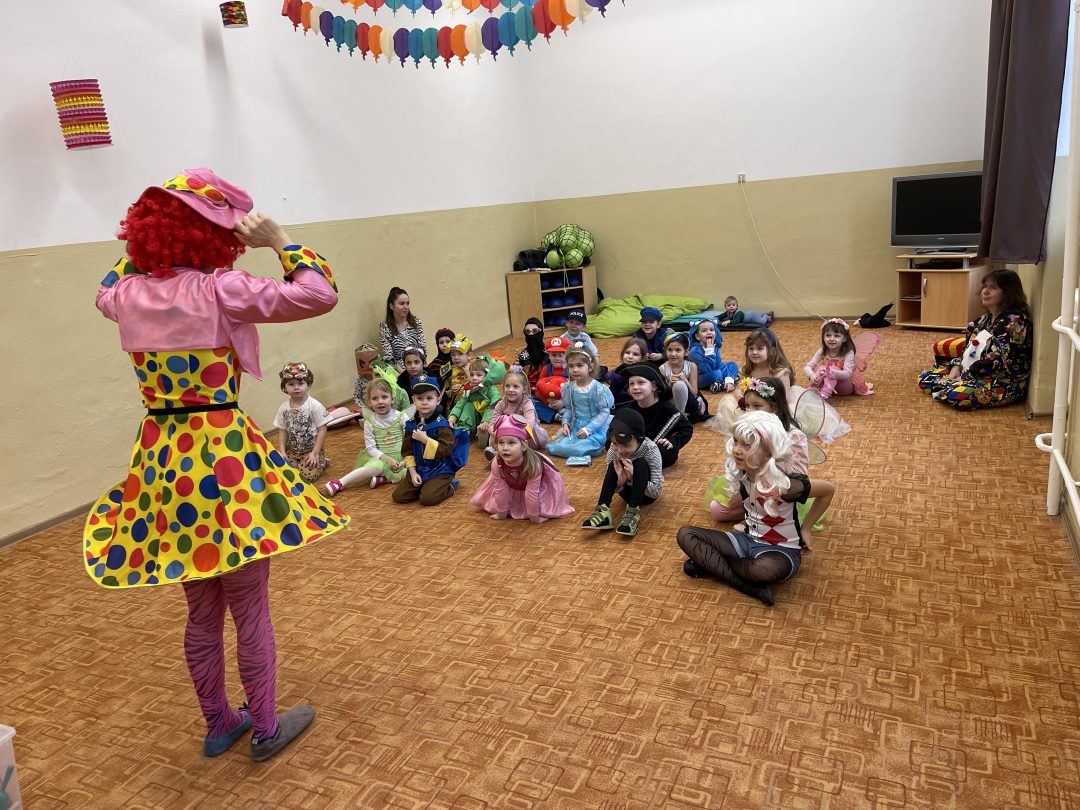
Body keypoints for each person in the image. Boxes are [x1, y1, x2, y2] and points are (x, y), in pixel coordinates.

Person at [84, 167, 349, 761]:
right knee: (249, 602)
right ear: (215, 235)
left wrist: (143, 252)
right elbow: (319, 294)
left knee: (200, 607)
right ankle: (265, 727)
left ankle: (218, 723)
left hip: (164, 461)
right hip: (224, 455)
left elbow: (107, 284)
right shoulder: (222, 289)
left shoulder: (124, 295)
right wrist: (280, 241)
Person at [677, 411, 833, 606]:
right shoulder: (742, 474)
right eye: (736, 441)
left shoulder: (785, 486)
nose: (737, 450)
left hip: (780, 550)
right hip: (745, 540)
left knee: (761, 571)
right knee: (686, 534)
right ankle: (748, 586)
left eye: (747, 445)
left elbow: (828, 490)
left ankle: (711, 565)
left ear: (768, 451)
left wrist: (806, 528)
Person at [917, 269, 1033, 410]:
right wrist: (956, 367)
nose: (985, 292)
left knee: (956, 394)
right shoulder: (981, 321)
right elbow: (966, 351)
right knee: (924, 377)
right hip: (971, 373)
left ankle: (948, 387)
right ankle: (948, 386)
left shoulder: (1015, 324)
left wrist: (965, 375)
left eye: (993, 288)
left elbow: (1001, 362)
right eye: (985, 286)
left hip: (1003, 381)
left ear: (1008, 293)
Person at [470, 414, 574, 522]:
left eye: (511, 443)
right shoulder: (498, 462)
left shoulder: (534, 464)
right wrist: (501, 513)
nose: (505, 448)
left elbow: (532, 492)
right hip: (512, 486)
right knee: (497, 497)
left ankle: (532, 510)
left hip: (535, 491)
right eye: (501, 442)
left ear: (524, 445)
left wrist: (534, 517)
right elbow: (500, 489)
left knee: (542, 507)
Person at [580, 409, 664, 537]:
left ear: (639, 439)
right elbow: (610, 485)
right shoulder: (614, 450)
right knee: (613, 464)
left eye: (626, 445)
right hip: (625, 491)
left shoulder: (651, 449)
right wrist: (619, 484)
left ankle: (633, 512)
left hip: (646, 495)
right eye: (615, 443)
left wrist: (632, 478)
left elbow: (656, 491)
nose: (620, 450)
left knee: (640, 463)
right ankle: (603, 511)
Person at [324, 378, 407, 495]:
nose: (380, 401)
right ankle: (340, 482)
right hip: (381, 458)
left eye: (384, 397)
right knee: (376, 467)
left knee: (416, 470)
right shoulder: (370, 422)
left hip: (403, 456)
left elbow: (410, 440)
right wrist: (387, 459)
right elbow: (371, 448)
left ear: (392, 399)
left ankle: (385, 479)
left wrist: (405, 460)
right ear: (369, 402)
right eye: (375, 398)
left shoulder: (401, 417)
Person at [393, 374, 460, 507]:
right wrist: (413, 473)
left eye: (429, 398)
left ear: (438, 400)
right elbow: (407, 451)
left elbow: (446, 449)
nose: (424, 402)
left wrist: (425, 440)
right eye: (420, 398)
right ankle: (426, 486)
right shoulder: (411, 424)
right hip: (419, 469)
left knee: (427, 499)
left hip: (440, 470)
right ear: (413, 400)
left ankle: (450, 486)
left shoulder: (442, 425)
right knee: (399, 496)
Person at [546, 347, 615, 458]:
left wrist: (588, 429)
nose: (575, 370)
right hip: (576, 426)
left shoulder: (599, 389)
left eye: (580, 365)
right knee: (559, 447)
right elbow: (569, 409)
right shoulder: (568, 388)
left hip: (596, 427)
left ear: (590, 367)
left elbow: (604, 412)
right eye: (571, 366)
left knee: (583, 447)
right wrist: (565, 423)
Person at [623, 363, 693, 468]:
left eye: (641, 382)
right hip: (636, 448)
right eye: (631, 384)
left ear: (654, 386)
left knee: (662, 451)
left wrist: (673, 442)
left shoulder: (666, 408)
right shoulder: (629, 410)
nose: (635, 387)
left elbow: (686, 428)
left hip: (659, 449)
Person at [274, 362, 331, 483]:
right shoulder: (283, 408)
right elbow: (282, 431)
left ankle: (322, 462)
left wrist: (315, 452)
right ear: (284, 387)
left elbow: (322, 429)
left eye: (300, 383)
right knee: (283, 473)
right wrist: (282, 451)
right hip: (292, 450)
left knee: (306, 478)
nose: (296, 387)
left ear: (308, 385)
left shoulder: (315, 406)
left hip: (311, 450)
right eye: (291, 384)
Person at [483, 369, 548, 459]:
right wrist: (499, 433)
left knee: (526, 425)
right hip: (505, 435)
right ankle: (495, 450)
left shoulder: (527, 403)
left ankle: (521, 450)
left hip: (527, 434)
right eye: (507, 386)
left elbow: (529, 424)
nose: (511, 389)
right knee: (497, 425)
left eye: (515, 386)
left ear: (524, 389)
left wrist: (514, 433)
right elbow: (492, 425)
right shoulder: (501, 404)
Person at [804, 318, 874, 398]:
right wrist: (811, 375)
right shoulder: (823, 351)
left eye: (836, 336)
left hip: (844, 388)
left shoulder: (848, 352)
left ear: (844, 338)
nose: (831, 339)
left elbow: (847, 374)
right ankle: (811, 390)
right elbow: (807, 366)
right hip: (826, 384)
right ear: (823, 337)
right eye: (828, 335)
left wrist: (831, 373)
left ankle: (825, 394)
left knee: (831, 369)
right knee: (822, 368)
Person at [449, 355, 505, 444]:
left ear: (486, 376)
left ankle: (486, 434)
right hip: (476, 419)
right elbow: (460, 404)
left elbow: (494, 406)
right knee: (468, 405)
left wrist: (486, 421)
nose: (474, 378)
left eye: (479, 375)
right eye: (471, 374)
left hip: (490, 419)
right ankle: (465, 429)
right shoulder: (469, 389)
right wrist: (452, 417)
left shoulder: (491, 389)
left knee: (494, 411)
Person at [658, 332, 708, 422]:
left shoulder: (691, 366)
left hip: (689, 403)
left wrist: (685, 380)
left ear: (686, 352)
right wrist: (669, 384)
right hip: (671, 402)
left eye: (678, 350)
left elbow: (694, 393)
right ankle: (677, 416)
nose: (673, 354)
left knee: (679, 384)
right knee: (677, 385)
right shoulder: (662, 368)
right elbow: (662, 395)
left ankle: (680, 417)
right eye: (670, 350)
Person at [379, 287, 426, 372]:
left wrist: (419, 369)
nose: (406, 307)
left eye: (408, 303)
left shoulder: (416, 322)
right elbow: (389, 357)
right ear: (391, 306)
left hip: (418, 367)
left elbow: (423, 348)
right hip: (399, 371)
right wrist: (403, 374)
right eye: (402, 304)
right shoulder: (384, 327)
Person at [689, 317, 738, 393]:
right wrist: (709, 351)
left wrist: (729, 381)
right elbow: (708, 370)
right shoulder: (694, 351)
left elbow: (719, 365)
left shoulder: (714, 347)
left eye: (711, 330)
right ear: (698, 336)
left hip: (714, 371)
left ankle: (722, 383)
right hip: (700, 378)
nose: (709, 332)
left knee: (733, 365)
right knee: (717, 374)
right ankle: (721, 382)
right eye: (704, 331)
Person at [532, 336, 571, 423]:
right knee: (531, 401)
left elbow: (576, 388)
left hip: (567, 401)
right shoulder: (546, 369)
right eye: (554, 355)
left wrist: (563, 402)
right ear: (549, 355)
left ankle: (567, 414)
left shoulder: (571, 369)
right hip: (549, 401)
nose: (557, 358)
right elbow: (539, 387)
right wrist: (547, 400)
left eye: (561, 355)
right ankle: (556, 416)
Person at [604, 338, 648, 411]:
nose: (630, 357)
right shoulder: (616, 375)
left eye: (635, 354)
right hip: (619, 408)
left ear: (642, 358)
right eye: (627, 353)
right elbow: (611, 397)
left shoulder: (646, 375)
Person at [439, 334, 472, 412]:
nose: (456, 358)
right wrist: (451, 391)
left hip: (471, 405)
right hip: (455, 407)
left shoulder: (475, 368)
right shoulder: (449, 371)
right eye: (453, 354)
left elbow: (482, 387)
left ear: (469, 355)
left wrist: (469, 374)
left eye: (460, 354)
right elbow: (443, 392)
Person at [516, 317, 548, 386]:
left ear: (541, 332)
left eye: (535, 331)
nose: (531, 334)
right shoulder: (523, 356)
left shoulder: (550, 352)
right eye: (527, 331)